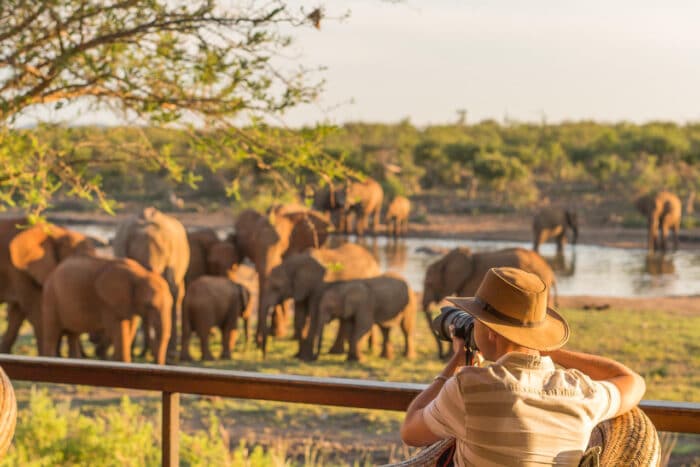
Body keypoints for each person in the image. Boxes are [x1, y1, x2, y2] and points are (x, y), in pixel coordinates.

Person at [401, 267, 646, 466]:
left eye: (477, 321)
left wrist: (455, 362)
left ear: (491, 332)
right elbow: (630, 380)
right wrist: (545, 348)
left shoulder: (468, 388)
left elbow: (411, 431)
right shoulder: (581, 391)